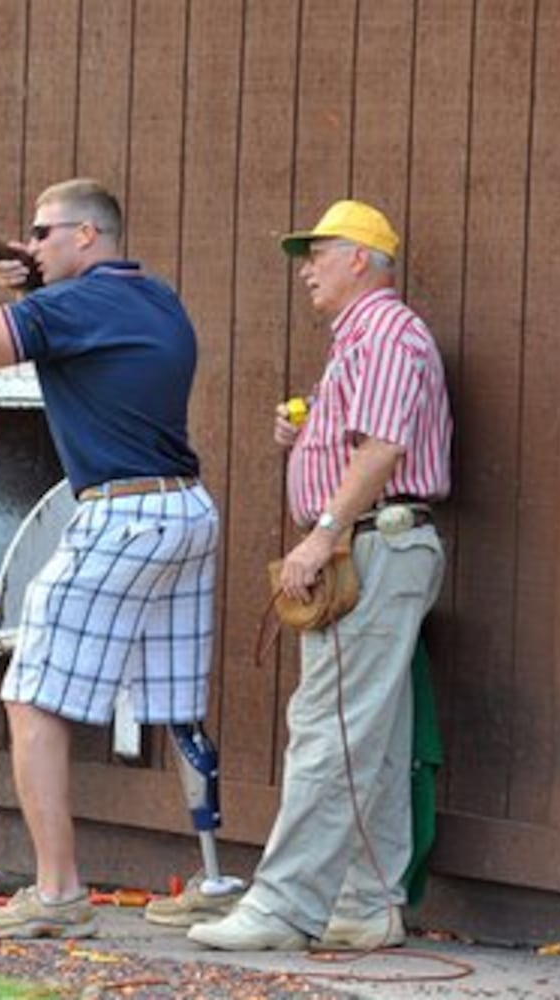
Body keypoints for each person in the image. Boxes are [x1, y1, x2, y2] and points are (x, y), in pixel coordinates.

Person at [0, 179, 222, 939]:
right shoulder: (156, 299)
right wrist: (30, 286)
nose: (32, 242)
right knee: (178, 700)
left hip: (121, 517)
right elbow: (71, 340)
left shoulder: (72, 308)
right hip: (187, 509)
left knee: (31, 696)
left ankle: (57, 895)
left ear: (87, 237)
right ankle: (216, 878)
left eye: (44, 232)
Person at [188, 200, 452, 952]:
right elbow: (362, 442)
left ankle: (283, 907)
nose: (307, 269)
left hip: (369, 547)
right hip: (374, 546)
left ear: (361, 260)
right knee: (367, 733)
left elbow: (383, 451)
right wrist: (306, 438)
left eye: (319, 253)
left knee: (327, 732)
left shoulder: (389, 334)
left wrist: (323, 534)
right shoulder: (363, 340)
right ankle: (367, 905)